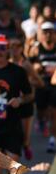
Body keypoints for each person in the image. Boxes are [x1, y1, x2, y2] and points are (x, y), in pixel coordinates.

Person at [0, 34, 33, 174]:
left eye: (2, 48)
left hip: (12, 126)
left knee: (14, 170)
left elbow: (30, 94)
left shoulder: (18, 71)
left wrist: (20, 100)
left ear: (7, 50)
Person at [9, 36, 45, 160]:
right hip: (12, 102)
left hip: (26, 101)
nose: (13, 49)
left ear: (21, 48)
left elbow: (40, 83)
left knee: (25, 136)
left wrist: (26, 81)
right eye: (11, 46)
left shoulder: (26, 64)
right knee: (13, 132)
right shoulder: (6, 63)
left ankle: (26, 145)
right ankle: (15, 151)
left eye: (16, 46)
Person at [29, 22, 56, 152]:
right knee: (41, 111)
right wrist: (36, 68)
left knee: (53, 112)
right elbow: (29, 65)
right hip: (41, 84)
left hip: (55, 85)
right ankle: (40, 121)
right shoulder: (36, 49)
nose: (48, 34)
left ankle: (52, 139)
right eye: (45, 32)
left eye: (50, 32)